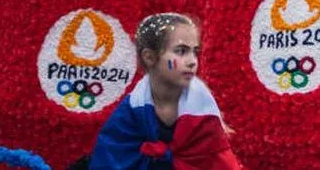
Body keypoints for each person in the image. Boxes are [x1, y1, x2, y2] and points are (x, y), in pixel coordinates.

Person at [88, 13, 242, 170]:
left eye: (195, 51)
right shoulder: (127, 116)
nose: (192, 61)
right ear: (149, 57)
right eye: (181, 51)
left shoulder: (206, 116)